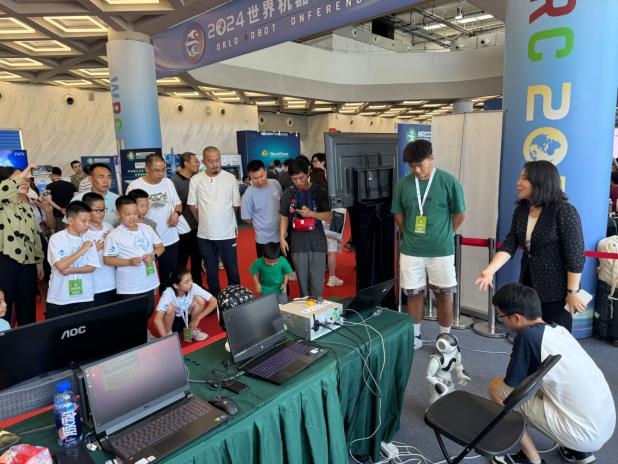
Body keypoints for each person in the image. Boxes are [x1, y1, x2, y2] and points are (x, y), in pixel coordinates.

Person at [489, 283, 615, 464]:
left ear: (516, 318)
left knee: (496, 388)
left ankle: (532, 459)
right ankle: (578, 451)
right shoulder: (558, 330)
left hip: (584, 433)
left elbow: (511, 387)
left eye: (501, 317)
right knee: (551, 385)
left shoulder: (527, 337)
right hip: (605, 424)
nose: (501, 321)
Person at [475, 160, 585, 332]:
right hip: (529, 285)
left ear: (541, 181)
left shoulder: (564, 210)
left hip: (556, 290)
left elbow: (575, 255)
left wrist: (572, 292)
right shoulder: (522, 210)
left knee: (554, 336)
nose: (518, 183)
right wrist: (489, 270)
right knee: (530, 334)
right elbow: (510, 243)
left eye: (524, 178)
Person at [391, 140, 465, 350]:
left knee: (444, 294)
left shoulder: (448, 182)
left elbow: (459, 214)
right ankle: (415, 335)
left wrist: (446, 233)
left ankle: (445, 337)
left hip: (441, 250)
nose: (417, 170)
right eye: (412, 166)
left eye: (420, 165)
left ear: (432, 158)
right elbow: (398, 213)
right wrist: (409, 233)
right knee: (413, 293)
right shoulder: (404, 185)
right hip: (411, 250)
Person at [187, 146, 241, 297]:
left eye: (218, 160)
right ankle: (215, 299)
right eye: (211, 161)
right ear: (203, 161)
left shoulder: (230, 178)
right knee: (211, 270)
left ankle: (236, 297)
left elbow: (235, 205)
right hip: (204, 235)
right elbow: (192, 205)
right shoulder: (196, 179)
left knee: (232, 269)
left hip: (227, 233)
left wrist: (224, 219)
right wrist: (203, 221)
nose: (215, 164)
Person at [127, 154, 182, 289]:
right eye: (156, 170)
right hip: (144, 242)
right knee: (144, 277)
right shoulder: (135, 185)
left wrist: (176, 214)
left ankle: (167, 301)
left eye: (163, 170)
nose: (161, 174)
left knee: (169, 279)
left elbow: (178, 204)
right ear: (146, 168)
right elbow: (127, 211)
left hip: (169, 239)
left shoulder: (168, 183)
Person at [279, 158, 332, 298]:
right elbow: (284, 216)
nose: (297, 182)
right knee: (302, 284)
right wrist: (282, 238)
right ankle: (307, 309)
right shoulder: (288, 193)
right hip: (297, 242)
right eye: (294, 179)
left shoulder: (319, 191)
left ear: (308, 173)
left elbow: (329, 215)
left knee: (317, 283)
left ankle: (318, 307)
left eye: (301, 178)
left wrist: (311, 214)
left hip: (317, 242)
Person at [103, 195, 164, 317]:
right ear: (118, 214)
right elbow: (107, 259)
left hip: (149, 281)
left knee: (149, 311)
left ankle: (144, 328)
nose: (133, 217)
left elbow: (160, 247)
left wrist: (153, 256)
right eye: (128, 214)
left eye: (135, 213)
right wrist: (129, 262)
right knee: (131, 317)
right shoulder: (114, 235)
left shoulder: (146, 228)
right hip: (129, 286)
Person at [0, 165, 45, 326]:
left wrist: (39, 262)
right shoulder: (2, 204)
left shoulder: (26, 207)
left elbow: (34, 237)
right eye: (20, 178)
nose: (25, 182)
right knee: (2, 310)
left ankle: (28, 339)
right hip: (4, 262)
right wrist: (28, 168)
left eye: (27, 179)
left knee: (27, 309)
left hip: (28, 263)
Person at [46, 201, 100, 319]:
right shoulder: (56, 238)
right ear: (70, 221)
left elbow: (92, 267)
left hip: (85, 296)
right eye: (84, 221)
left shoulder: (89, 239)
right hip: (59, 298)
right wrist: (82, 250)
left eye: (89, 221)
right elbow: (61, 266)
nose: (87, 224)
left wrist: (70, 270)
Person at [153, 267, 216, 341]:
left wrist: (198, 318)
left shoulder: (193, 286)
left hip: (186, 316)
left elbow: (214, 301)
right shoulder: (168, 293)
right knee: (169, 308)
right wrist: (166, 339)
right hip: (172, 321)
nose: (191, 283)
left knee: (200, 300)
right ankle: (169, 335)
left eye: (191, 279)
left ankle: (191, 330)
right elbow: (157, 320)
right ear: (176, 285)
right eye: (186, 282)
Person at [310, 152, 343, 287]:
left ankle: (318, 277)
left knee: (317, 250)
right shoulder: (330, 183)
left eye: (316, 161)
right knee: (331, 251)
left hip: (315, 220)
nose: (314, 163)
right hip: (330, 219)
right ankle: (332, 278)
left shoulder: (310, 185)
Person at [170, 152, 203, 286]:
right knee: (181, 261)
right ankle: (179, 288)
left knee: (197, 259)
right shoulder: (174, 181)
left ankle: (198, 286)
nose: (198, 164)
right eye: (196, 161)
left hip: (197, 227)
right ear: (186, 163)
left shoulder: (198, 178)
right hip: (182, 230)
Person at [241, 159, 283, 258]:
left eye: (261, 176)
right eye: (255, 178)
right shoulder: (248, 194)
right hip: (263, 238)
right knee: (265, 265)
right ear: (250, 176)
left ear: (265, 171)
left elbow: (282, 204)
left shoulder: (275, 183)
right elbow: (246, 217)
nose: (259, 181)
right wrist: (260, 224)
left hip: (281, 233)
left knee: (283, 263)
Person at [82, 192, 116, 306]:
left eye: (103, 209)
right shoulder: (82, 232)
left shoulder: (109, 227)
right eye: (97, 210)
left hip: (113, 282)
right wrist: (92, 250)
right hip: (94, 286)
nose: (101, 213)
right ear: (86, 210)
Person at [46, 166, 77, 231]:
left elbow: (49, 200)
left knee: (61, 234)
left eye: (49, 175)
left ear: (52, 174)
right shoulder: (71, 184)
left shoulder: (49, 186)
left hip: (58, 215)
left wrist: (61, 209)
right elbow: (76, 198)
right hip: (72, 214)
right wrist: (68, 208)